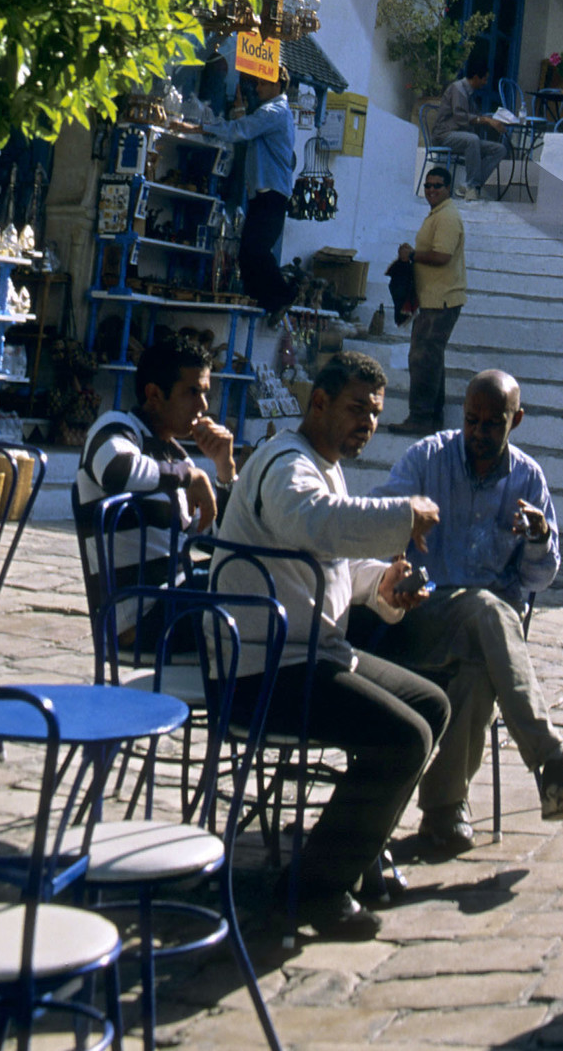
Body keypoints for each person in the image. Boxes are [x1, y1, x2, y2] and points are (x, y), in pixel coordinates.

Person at [214, 351, 450, 940]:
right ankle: (313, 890)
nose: (365, 424)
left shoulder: (324, 466)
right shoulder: (285, 464)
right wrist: (402, 513)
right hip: (263, 667)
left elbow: (326, 562)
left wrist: (381, 583)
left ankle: (358, 851)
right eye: (354, 410)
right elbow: (313, 523)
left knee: (430, 705)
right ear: (318, 402)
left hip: (309, 654)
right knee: (403, 739)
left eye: (373, 413)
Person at [374, 370, 563, 852]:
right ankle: (551, 759)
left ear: (515, 420)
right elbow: (378, 520)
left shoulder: (527, 478)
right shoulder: (427, 459)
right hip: (423, 614)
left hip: (487, 634)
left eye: (492, 424)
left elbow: (539, 580)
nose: (479, 434)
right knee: (486, 608)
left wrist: (540, 539)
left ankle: (444, 811)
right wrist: (403, 522)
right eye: (471, 422)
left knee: (480, 667)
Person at [74, 333, 236, 631]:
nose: (202, 405)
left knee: (258, 574)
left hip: (175, 598)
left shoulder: (177, 456)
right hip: (139, 615)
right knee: (250, 597)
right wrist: (190, 477)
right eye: (191, 392)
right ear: (154, 395)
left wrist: (225, 472)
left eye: (205, 394)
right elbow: (115, 471)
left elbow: (219, 542)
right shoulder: (117, 427)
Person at [205, 70, 298, 320]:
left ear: (276, 85)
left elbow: (242, 130)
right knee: (248, 253)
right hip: (263, 196)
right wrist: (239, 111)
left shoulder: (274, 112)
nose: (257, 89)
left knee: (255, 250)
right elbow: (249, 130)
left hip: (271, 196)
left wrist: (202, 127)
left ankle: (283, 295)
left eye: (262, 83)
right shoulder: (271, 113)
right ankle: (264, 300)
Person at [391, 167, 467, 436]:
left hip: (441, 300)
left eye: (438, 185)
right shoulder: (439, 214)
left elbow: (442, 256)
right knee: (431, 359)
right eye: (428, 186)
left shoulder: (446, 217)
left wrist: (412, 256)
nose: (432, 190)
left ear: (448, 188)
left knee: (422, 358)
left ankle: (421, 417)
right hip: (435, 299)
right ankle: (432, 417)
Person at [433, 58, 510, 198]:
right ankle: (472, 186)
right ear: (475, 77)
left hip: (463, 138)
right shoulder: (458, 89)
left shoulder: (470, 94)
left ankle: (470, 185)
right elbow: (460, 117)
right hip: (445, 135)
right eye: (484, 79)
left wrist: (494, 119)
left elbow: (475, 116)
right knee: (472, 139)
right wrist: (486, 120)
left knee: (499, 149)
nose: (485, 83)